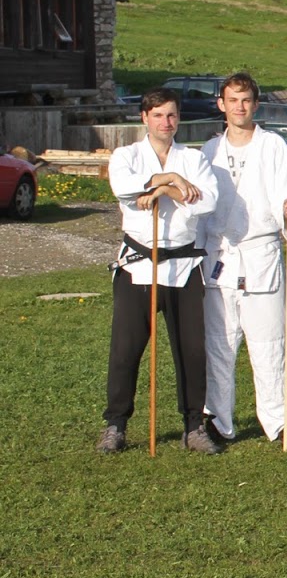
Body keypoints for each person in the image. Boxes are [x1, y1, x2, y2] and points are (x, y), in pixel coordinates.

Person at [98, 87, 221, 454]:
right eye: (158, 115)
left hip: (184, 267)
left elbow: (209, 201)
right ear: (144, 118)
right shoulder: (127, 155)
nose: (166, 122)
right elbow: (123, 188)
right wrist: (172, 181)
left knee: (192, 351)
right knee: (125, 350)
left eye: (171, 115)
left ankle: (194, 425)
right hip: (139, 266)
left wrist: (165, 189)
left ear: (178, 118)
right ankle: (115, 424)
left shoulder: (194, 158)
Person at [200, 73, 287, 450]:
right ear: (221, 104)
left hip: (261, 254)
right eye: (232, 100)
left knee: (270, 342)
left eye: (245, 100)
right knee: (219, 343)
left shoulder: (274, 146)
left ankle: (281, 422)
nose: (239, 107)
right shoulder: (207, 151)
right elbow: (200, 207)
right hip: (219, 257)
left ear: (255, 104)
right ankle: (217, 420)